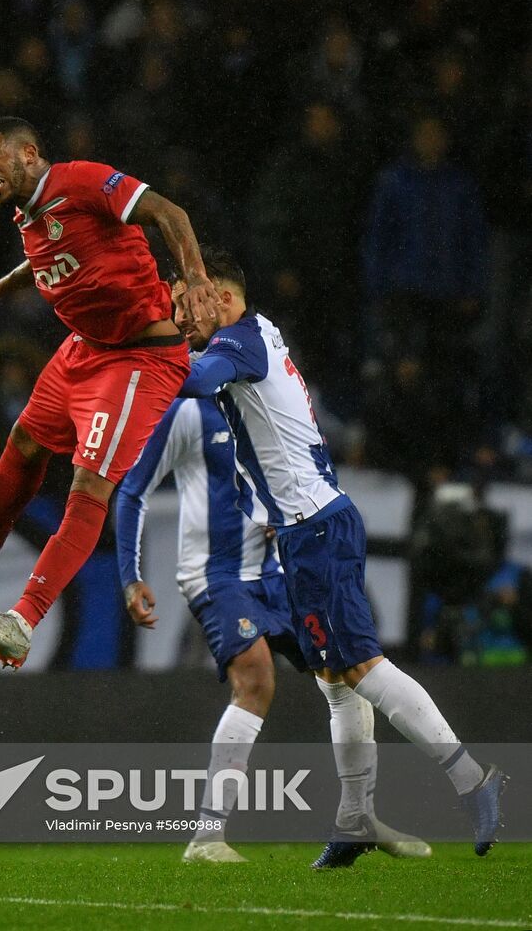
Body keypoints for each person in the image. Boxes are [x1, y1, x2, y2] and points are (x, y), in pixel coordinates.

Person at [172, 246, 508, 862]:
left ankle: (473, 781)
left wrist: (135, 349)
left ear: (221, 296)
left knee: (359, 669)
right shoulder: (257, 331)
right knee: (334, 683)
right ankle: (355, 816)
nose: (179, 316)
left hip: (316, 530)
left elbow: (191, 379)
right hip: (308, 530)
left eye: (186, 302)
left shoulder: (240, 343)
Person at [0, 116, 219, 668]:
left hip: (137, 358)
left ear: (29, 152)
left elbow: (171, 213)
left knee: (88, 486)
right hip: (82, 350)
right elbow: (49, 257)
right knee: (22, 443)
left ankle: (22, 620)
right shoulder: (31, 215)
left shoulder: (82, 181)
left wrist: (200, 281)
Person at [116, 388, 430, 865]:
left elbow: (312, 475)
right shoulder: (189, 413)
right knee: (256, 678)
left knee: (345, 671)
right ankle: (206, 837)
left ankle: (358, 815)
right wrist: (129, 574)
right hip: (214, 575)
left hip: (274, 573)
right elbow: (133, 489)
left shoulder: (269, 409)